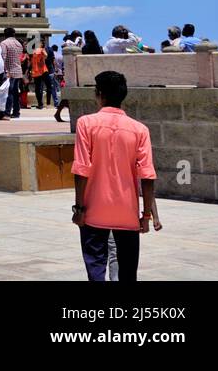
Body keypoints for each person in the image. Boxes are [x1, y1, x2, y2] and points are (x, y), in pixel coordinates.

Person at [72, 71, 157, 282]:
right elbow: (147, 176)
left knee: (96, 268)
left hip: (93, 212)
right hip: (126, 214)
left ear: (99, 94)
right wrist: (146, 216)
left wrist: (79, 209)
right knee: (128, 272)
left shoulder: (86, 123)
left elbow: (82, 169)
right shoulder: (140, 129)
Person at [29, 38, 50, 109]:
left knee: (38, 89)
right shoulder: (40, 49)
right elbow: (46, 55)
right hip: (42, 71)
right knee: (44, 87)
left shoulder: (34, 51)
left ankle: (40, 104)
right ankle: (45, 104)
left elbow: (31, 63)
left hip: (36, 72)